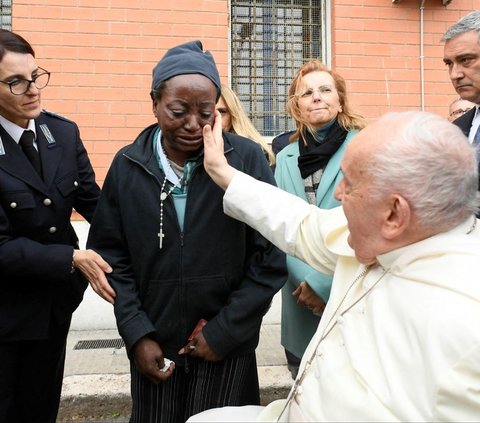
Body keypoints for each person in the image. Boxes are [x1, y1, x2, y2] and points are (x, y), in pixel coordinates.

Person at [188, 109, 480, 421]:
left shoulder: (465, 326)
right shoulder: (396, 231)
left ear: (394, 214)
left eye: (350, 184)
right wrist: (221, 171)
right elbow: (302, 223)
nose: (338, 194)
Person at [86, 40, 286, 423]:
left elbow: (271, 256)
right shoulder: (128, 166)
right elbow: (113, 260)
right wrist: (136, 333)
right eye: (178, 111)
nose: (194, 124)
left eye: (206, 112)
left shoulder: (244, 160)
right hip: (154, 346)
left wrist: (226, 330)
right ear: (155, 103)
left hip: (226, 347)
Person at [0, 29, 112, 423]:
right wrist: (72, 257)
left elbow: (97, 205)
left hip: (53, 305)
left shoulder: (61, 133)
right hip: (6, 312)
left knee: (41, 406)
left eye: (35, 76)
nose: (32, 89)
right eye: (15, 82)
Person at [272, 60, 366, 380]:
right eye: (307, 92)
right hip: (299, 298)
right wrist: (305, 281)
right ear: (296, 105)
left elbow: (368, 222)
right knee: (303, 392)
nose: (316, 97)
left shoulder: (366, 146)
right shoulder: (284, 158)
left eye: (325, 90)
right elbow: (279, 224)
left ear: (340, 100)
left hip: (350, 293)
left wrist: (323, 284)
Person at [216, 84, 275, 166]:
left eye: (222, 112)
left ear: (233, 115)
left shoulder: (251, 152)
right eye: (207, 113)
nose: (216, 118)